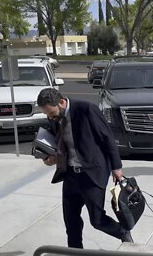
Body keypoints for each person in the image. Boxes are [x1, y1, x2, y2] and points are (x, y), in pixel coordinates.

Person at [36, 88, 133, 249]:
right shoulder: (54, 117)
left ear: (61, 102)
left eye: (52, 113)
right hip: (70, 175)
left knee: (97, 220)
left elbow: (107, 138)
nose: (51, 118)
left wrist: (116, 167)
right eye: (48, 115)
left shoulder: (86, 109)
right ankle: (75, 252)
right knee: (71, 221)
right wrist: (50, 157)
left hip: (91, 175)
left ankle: (121, 232)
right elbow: (56, 141)